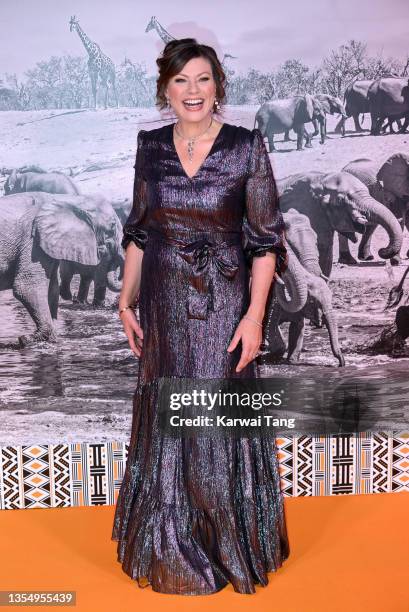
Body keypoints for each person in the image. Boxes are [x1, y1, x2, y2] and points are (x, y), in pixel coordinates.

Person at [111, 37, 290, 595]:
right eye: (182, 80)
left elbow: (264, 242)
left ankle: (228, 542)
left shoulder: (246, 147)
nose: (193, 91)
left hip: (225, 303)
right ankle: (172, 544)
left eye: (204, 79)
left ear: (219, 87)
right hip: (163, 303)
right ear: (165, 88)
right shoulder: (150, 147)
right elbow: (140, 231)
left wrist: (255, 318)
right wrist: (125, 299)